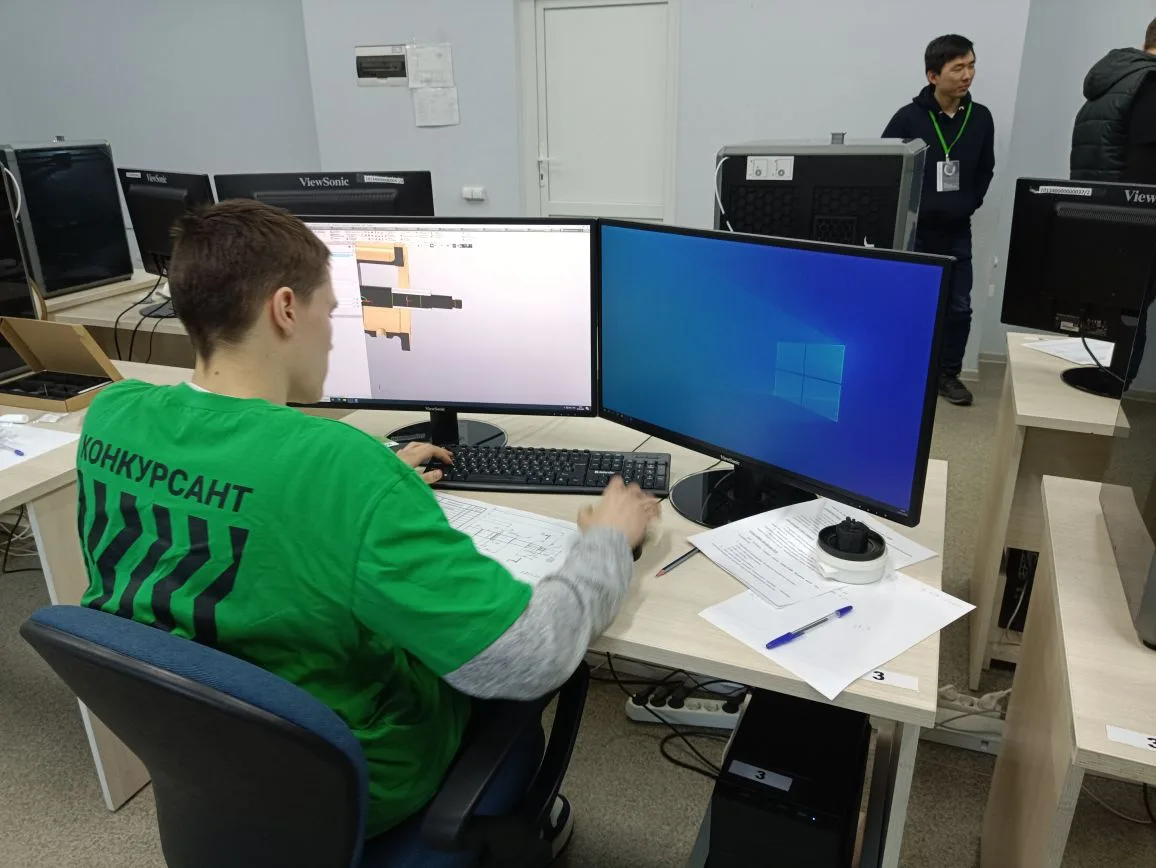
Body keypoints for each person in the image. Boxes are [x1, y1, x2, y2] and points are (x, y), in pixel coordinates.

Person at [75, 199, 659, 858]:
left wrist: (370, 482)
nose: (334, 334)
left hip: (212, 759)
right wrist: (609, 541)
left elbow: (222, 497)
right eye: (330, 311)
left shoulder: (113, 413)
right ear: (285, 308)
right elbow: (531, 656)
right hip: (357, 780)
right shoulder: (339, 469)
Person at [884, 34, 996, 407]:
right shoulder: (908, 117)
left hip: (956, 231)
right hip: (914, 231)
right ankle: (901, 371)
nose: (967, 75)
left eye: (971, 66)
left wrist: (969, 203)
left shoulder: (980, 117)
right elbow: (887, 168)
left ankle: (947, 375)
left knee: (958, 307)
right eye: (958, 68)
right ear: (933, 75)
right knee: (908, 305)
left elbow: (985, 168)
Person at [1071, 17, 1156, 386]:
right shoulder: (1151, 84)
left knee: (1111, 307)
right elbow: (1146, 173)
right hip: (1135, 225)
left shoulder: (1114, 79)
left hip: (1101, 216)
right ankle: (1111, 390)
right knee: (1129, 311)